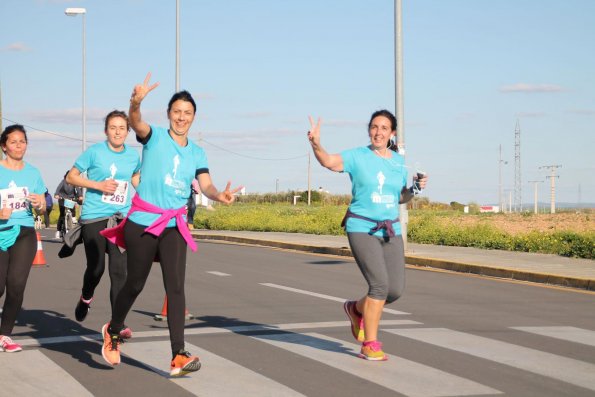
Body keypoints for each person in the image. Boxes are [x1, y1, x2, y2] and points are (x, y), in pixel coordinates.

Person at [100, 73, 241, 376]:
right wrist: (135, 103)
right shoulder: (154, 136)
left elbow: (206, 185)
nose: (181, 117)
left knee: (175, 287)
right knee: (135, 283)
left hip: (174, 224)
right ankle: (113, 329)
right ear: (168, 114)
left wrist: (220, 195)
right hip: (141, 221)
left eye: (187, 113)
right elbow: (136, 122)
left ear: (194, 117)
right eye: (176, 111)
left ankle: (178, 354)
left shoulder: (197, 152)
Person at [307, 110, 427, 361]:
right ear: (369, 130)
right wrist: (316, 144)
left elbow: (399, 196)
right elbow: (328, 161)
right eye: (374, 127)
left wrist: (414, 188)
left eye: (384, 128)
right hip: (362, 227)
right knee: (380, 286)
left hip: (390, 229)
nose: (378, 132)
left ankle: (355, 308)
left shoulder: (397, 161)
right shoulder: (357, 156)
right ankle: (370, 343)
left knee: (394, 291)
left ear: (392, 133)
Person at [65, 110, 141, 333]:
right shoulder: (94, 152)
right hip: (95, 216)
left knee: (119, 273)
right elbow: (71, 176)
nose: (117, 132)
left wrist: (151, 194)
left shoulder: (133, 156)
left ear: (128, 131)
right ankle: (86, 296)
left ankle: (117, 324)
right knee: (96, 269)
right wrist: (98, 186)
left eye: (121, 128)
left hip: (121, 218)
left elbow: (136, 179)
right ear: (106, 130)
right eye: (113, 128)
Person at [0, 124, 47, 353]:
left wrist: (40, 205)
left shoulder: (33, 173)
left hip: (25, 232)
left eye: (22, 141)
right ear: (4, 146)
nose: (19, 146)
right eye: (13, 142)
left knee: (16, 285)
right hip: (0, 232)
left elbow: (43, 205)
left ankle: (5, 335)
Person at [54, 171, 83, 239]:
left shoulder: (74, 183)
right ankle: (59, 230)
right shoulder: (63, 182)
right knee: (62, 214)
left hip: (71, 199)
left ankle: (72, 220)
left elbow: (78, 190)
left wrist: (80, 196)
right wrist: (56, 195)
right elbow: (58, 189)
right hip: (62, 199)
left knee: (72, 212)